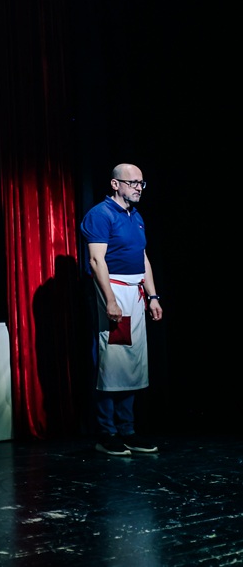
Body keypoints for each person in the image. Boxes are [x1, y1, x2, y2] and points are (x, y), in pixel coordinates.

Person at [80, 163, 162, 456]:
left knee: (132, 363)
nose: (138, 187)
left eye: (141, 183)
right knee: (112, 363)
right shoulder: (101, 214)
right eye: (132, 182)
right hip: (114, 291)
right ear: (115, 184)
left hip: (136, 294)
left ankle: (128, 430)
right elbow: (96, 261)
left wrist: (153, 296)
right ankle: (107, 432)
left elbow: (142, 257)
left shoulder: (135, 216)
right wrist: (110, 300)